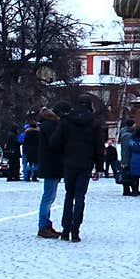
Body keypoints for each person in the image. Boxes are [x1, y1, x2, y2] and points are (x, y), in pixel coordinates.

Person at [53, 95, 104, 241]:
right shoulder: (94, 122)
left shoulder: (66, 121)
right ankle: (75, 231)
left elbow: (55, 141)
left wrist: (63, 153)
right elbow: (99, 146)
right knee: (80, 196)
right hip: (86, 163)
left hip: (69, 162)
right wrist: (99, 167)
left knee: (69, 195)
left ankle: (65, 230)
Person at [36, 102, 70, 238]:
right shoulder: (51, 126)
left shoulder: (47, 124)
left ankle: (45, 225)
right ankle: (43, 226)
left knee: (49, 196)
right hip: (52, 164)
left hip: (49, 164)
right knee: (48, 197)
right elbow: (55, 144)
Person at [119, 119, 136, 196]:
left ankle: (128, 189)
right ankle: (127, 190)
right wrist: (126, 160)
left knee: (127, 173)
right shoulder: (128, 135)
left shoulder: (126, 133)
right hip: (128, 158)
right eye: (134, 124)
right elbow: (127, 149)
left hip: (126, 157)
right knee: (128, 174)